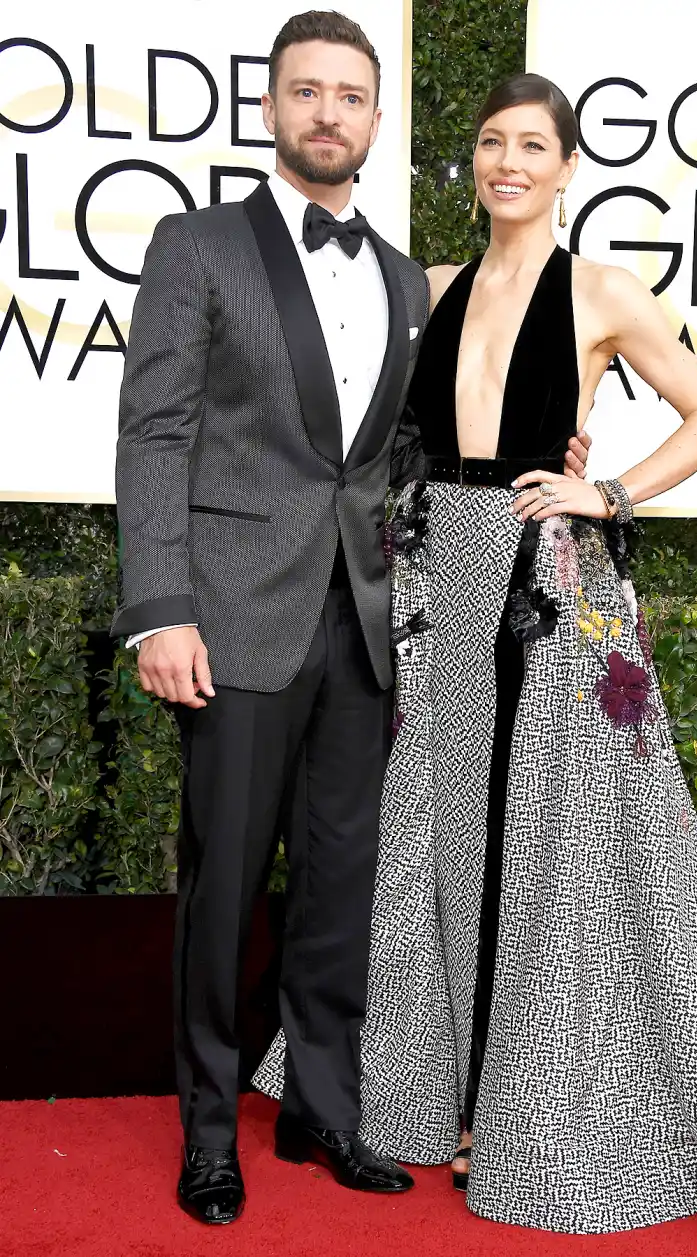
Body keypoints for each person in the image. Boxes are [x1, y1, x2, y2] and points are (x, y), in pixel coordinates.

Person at [255, 72, 697, 1244]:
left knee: (549, 849)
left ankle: (519, 1116)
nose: (506, 161)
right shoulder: (430, 290)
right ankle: (424, 1091)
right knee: (433, 840)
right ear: (470, 164)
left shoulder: (602, 288)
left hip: (541, 587)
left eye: (531, 145)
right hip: (432, 588)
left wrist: (606, 491)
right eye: (489, 143)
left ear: (567, 167)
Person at [113, 12, 589, 1228]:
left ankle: (323, 1108)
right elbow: (155, 435)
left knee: (340, 887)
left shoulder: (397, 276)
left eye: (351, 96)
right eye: (307, 92)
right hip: (228, 619)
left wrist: (566, 455)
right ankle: (211, 1132)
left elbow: (407, 452)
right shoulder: (195, 245)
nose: (329, 112)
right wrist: (160, 610)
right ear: (272, 109)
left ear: (378, 122)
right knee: (224, 886)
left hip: (368, 628)